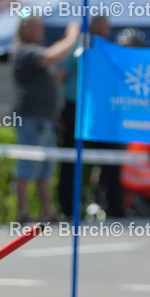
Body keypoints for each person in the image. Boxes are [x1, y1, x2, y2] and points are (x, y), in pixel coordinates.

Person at [11, 16, 79, 224]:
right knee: (27, 165)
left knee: (45, 168)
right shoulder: (24, 51)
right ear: (24, 30)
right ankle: (22, 212)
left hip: (44, 118)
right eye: (34, 26)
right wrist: (72, 35)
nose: (40, 30)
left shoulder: (36, 50)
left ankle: (47, 212)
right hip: (30, 117)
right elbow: (53, 55)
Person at [55, 16, 124, 219]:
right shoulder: (78, 48)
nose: (102, 29)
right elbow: (60, 75)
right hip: (76, 108)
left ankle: (114, 207)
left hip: (104, 111)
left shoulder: (111, 51)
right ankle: (68, 209)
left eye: (105, 26)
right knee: (71, 161)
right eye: (98, 25)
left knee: (111, 160)